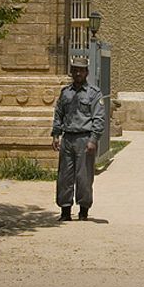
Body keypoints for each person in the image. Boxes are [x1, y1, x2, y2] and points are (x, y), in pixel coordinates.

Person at [51, 56, 106, 221]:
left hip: (84, 139)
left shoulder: (94, 93)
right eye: (75, 70)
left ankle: (83, 211)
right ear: (71, 72)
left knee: (84, 177)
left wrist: (93, 139)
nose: (77, 73)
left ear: (86, 73)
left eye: (81, 70)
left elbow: (99, 118)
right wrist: (56, 134)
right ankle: (65, 211)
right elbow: (59, 114)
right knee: (64, 176)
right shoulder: (65, 92)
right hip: (68, 138)